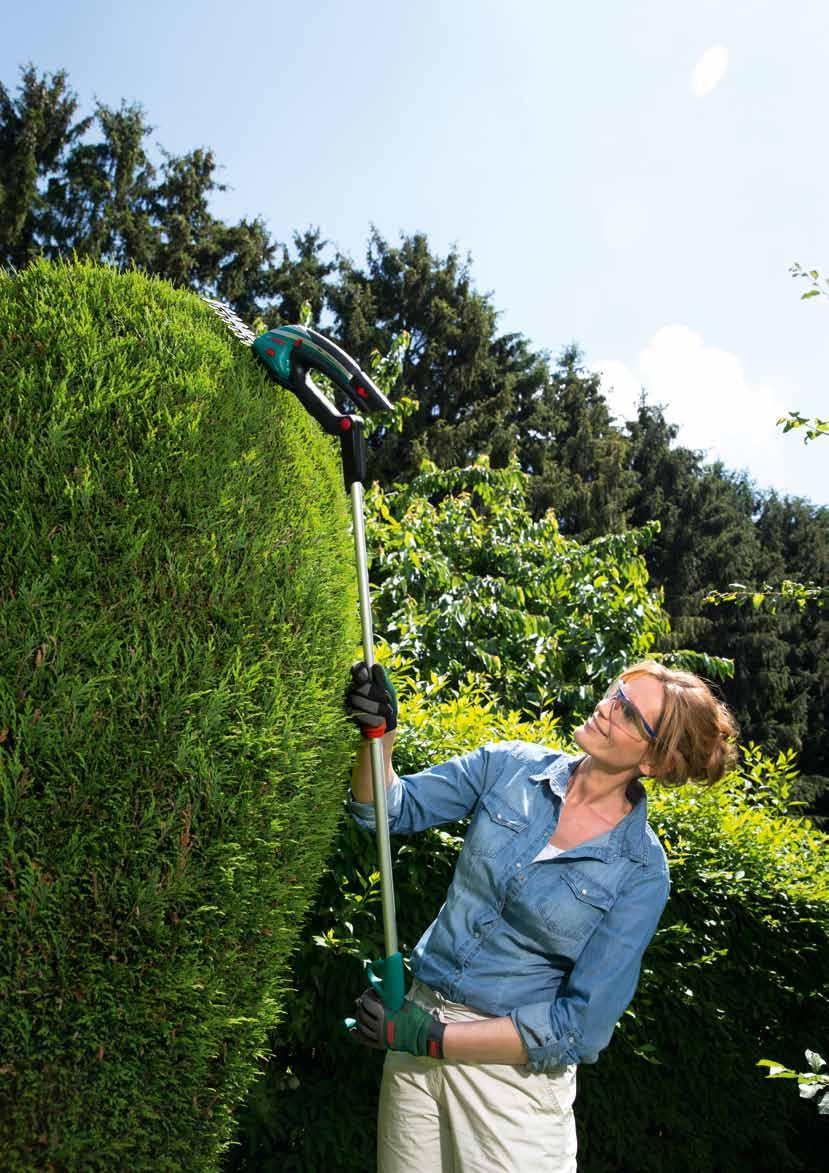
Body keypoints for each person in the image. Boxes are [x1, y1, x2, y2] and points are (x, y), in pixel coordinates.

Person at [344, 659, 739, 1172]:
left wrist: (436, 1039)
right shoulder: (510, 768)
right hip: (415, 1032)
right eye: (614, 691)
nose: (605, 707)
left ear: (654, 762)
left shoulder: (640, 871)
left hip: (507, 1088)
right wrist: (380, 735)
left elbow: (580, 1025)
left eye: (626, 712)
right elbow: (384, 811)